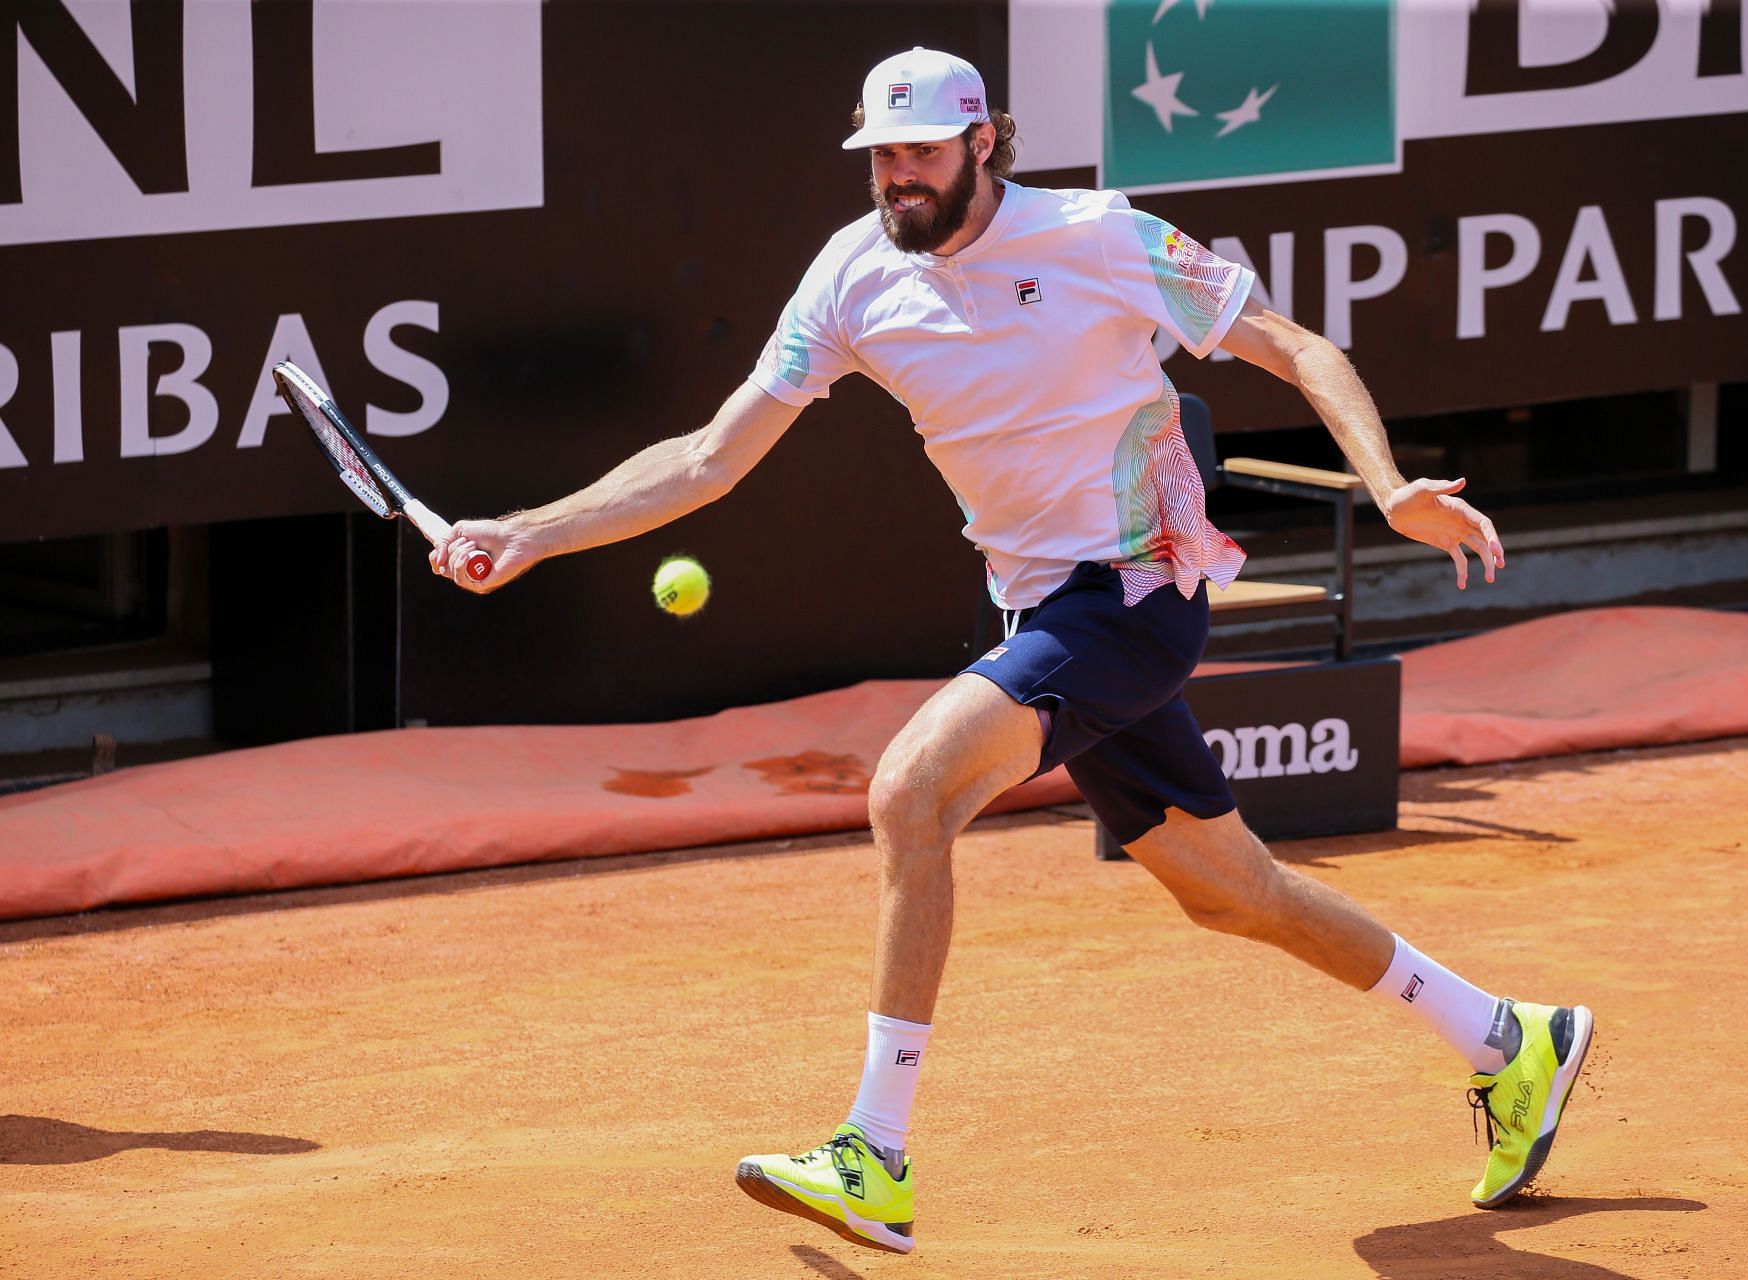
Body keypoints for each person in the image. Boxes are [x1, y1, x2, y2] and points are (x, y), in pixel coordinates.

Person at [432, 47, 1593, 1256]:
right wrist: (533, 532)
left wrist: (1391, 483)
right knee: (1232, 891)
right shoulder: (850, 273)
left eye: (921, 154)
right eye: (881, 155)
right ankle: (1513, 1041)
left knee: (911, 790)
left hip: (1136, 590)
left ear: (986, 141)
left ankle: (873, 1152)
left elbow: (1297, 347)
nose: (898, 180)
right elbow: (713, 454)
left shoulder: (1101, 235)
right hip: (1042, 613)